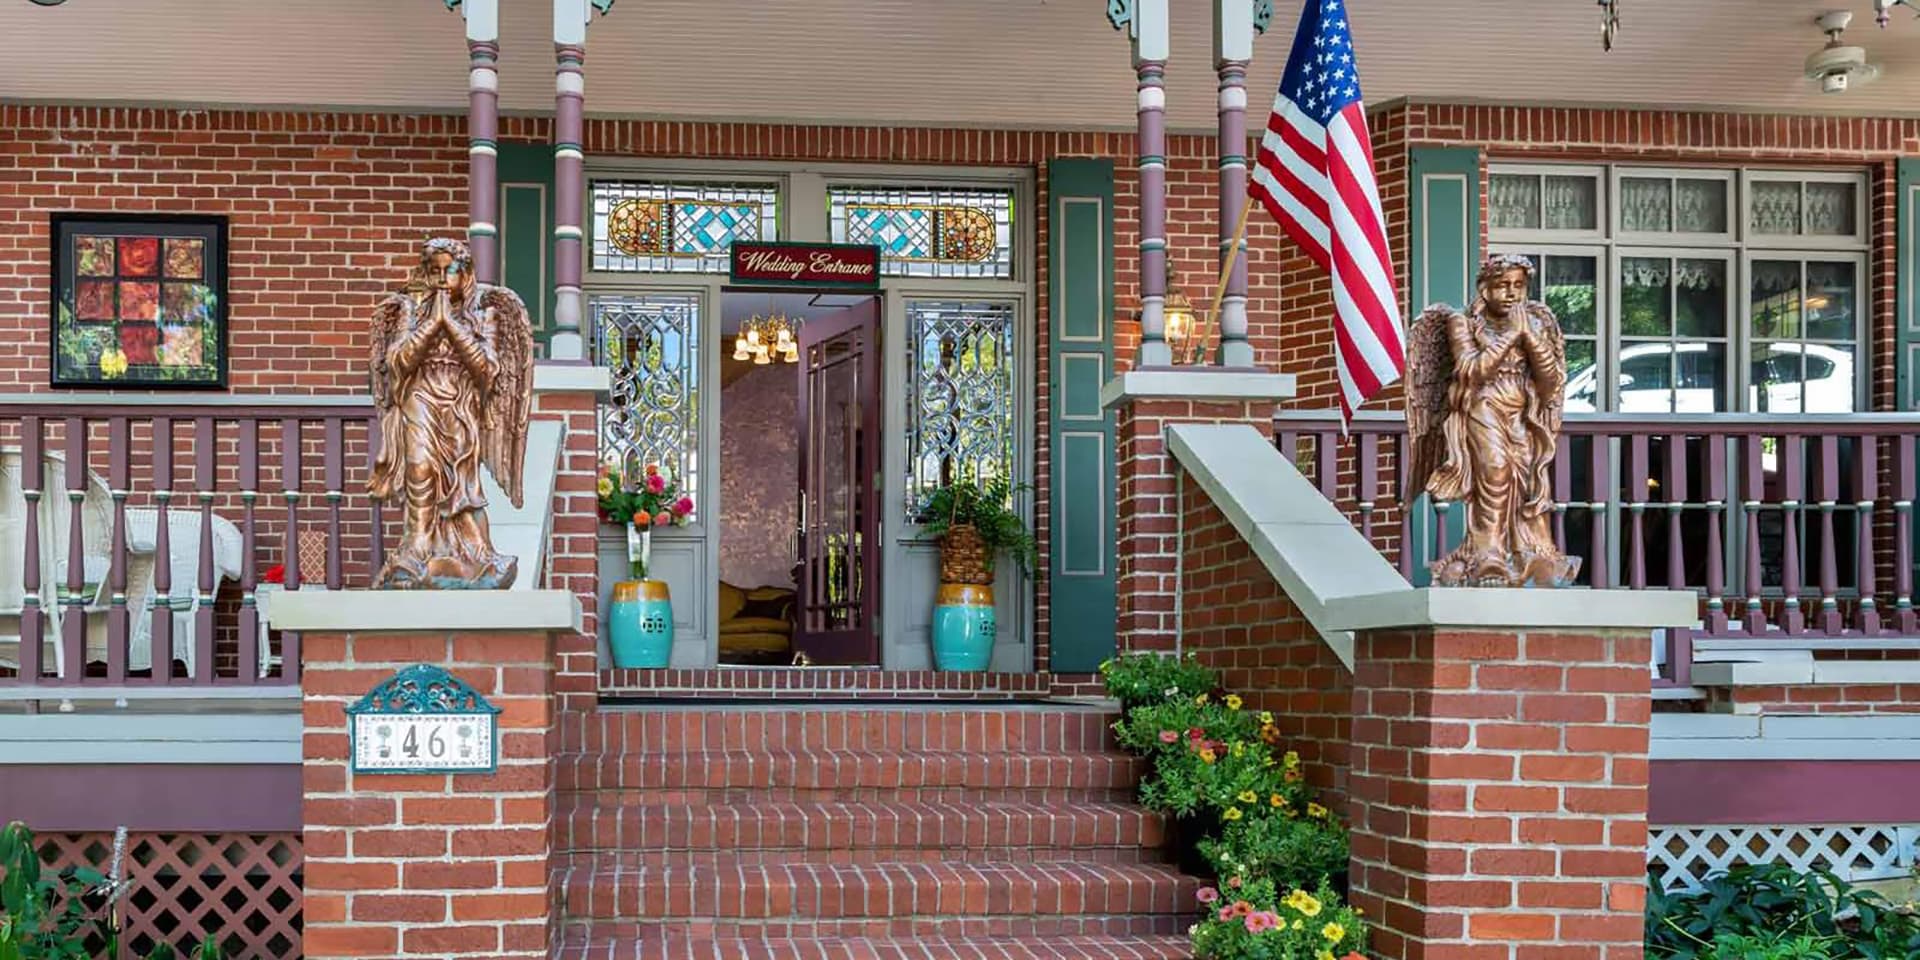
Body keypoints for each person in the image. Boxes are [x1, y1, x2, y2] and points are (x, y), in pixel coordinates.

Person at [367, 237, 533, 589]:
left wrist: (451, 324)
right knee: (420, 467)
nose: (442, 279)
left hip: (460, 405)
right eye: (434, 271)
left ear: (466, 273)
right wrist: (432, 323)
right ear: (425, 275)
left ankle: (474, 553)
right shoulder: (411, 312)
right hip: (420, 398)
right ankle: (418, 545)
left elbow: (488, 369)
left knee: (462, 482)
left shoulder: (484, 314)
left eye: (450, 270)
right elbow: (397, 363)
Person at [1406, 254, 1580, 588]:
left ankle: (1527, 551)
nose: (1511, 293)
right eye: (1502, 285)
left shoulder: (1536, 323)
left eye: (1518, 286)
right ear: (1484, 288)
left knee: (1527, 479)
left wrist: (1528, 337)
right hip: (1482, 406)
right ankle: (1488, 553)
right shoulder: (1462, 322)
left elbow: (1550, 382)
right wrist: (1511, 336)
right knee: (1494, 470)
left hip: (1523, 410)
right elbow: (1472, 371)